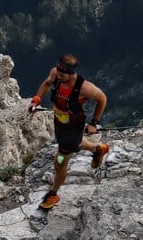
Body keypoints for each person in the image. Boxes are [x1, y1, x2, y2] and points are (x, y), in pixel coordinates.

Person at [28, 53, 108, 209]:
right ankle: (98, 149)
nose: (58, 76)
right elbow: (47, 83)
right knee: (75, 144)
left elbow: (102, 99)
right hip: (59, 122)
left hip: (73, 126)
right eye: (58, 72)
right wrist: (36, 99)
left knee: (59, 161)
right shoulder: (56, 74)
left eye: (62, 74)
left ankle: (53, 194)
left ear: (71, 73)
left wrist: (93, 123)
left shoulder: (84, 88)